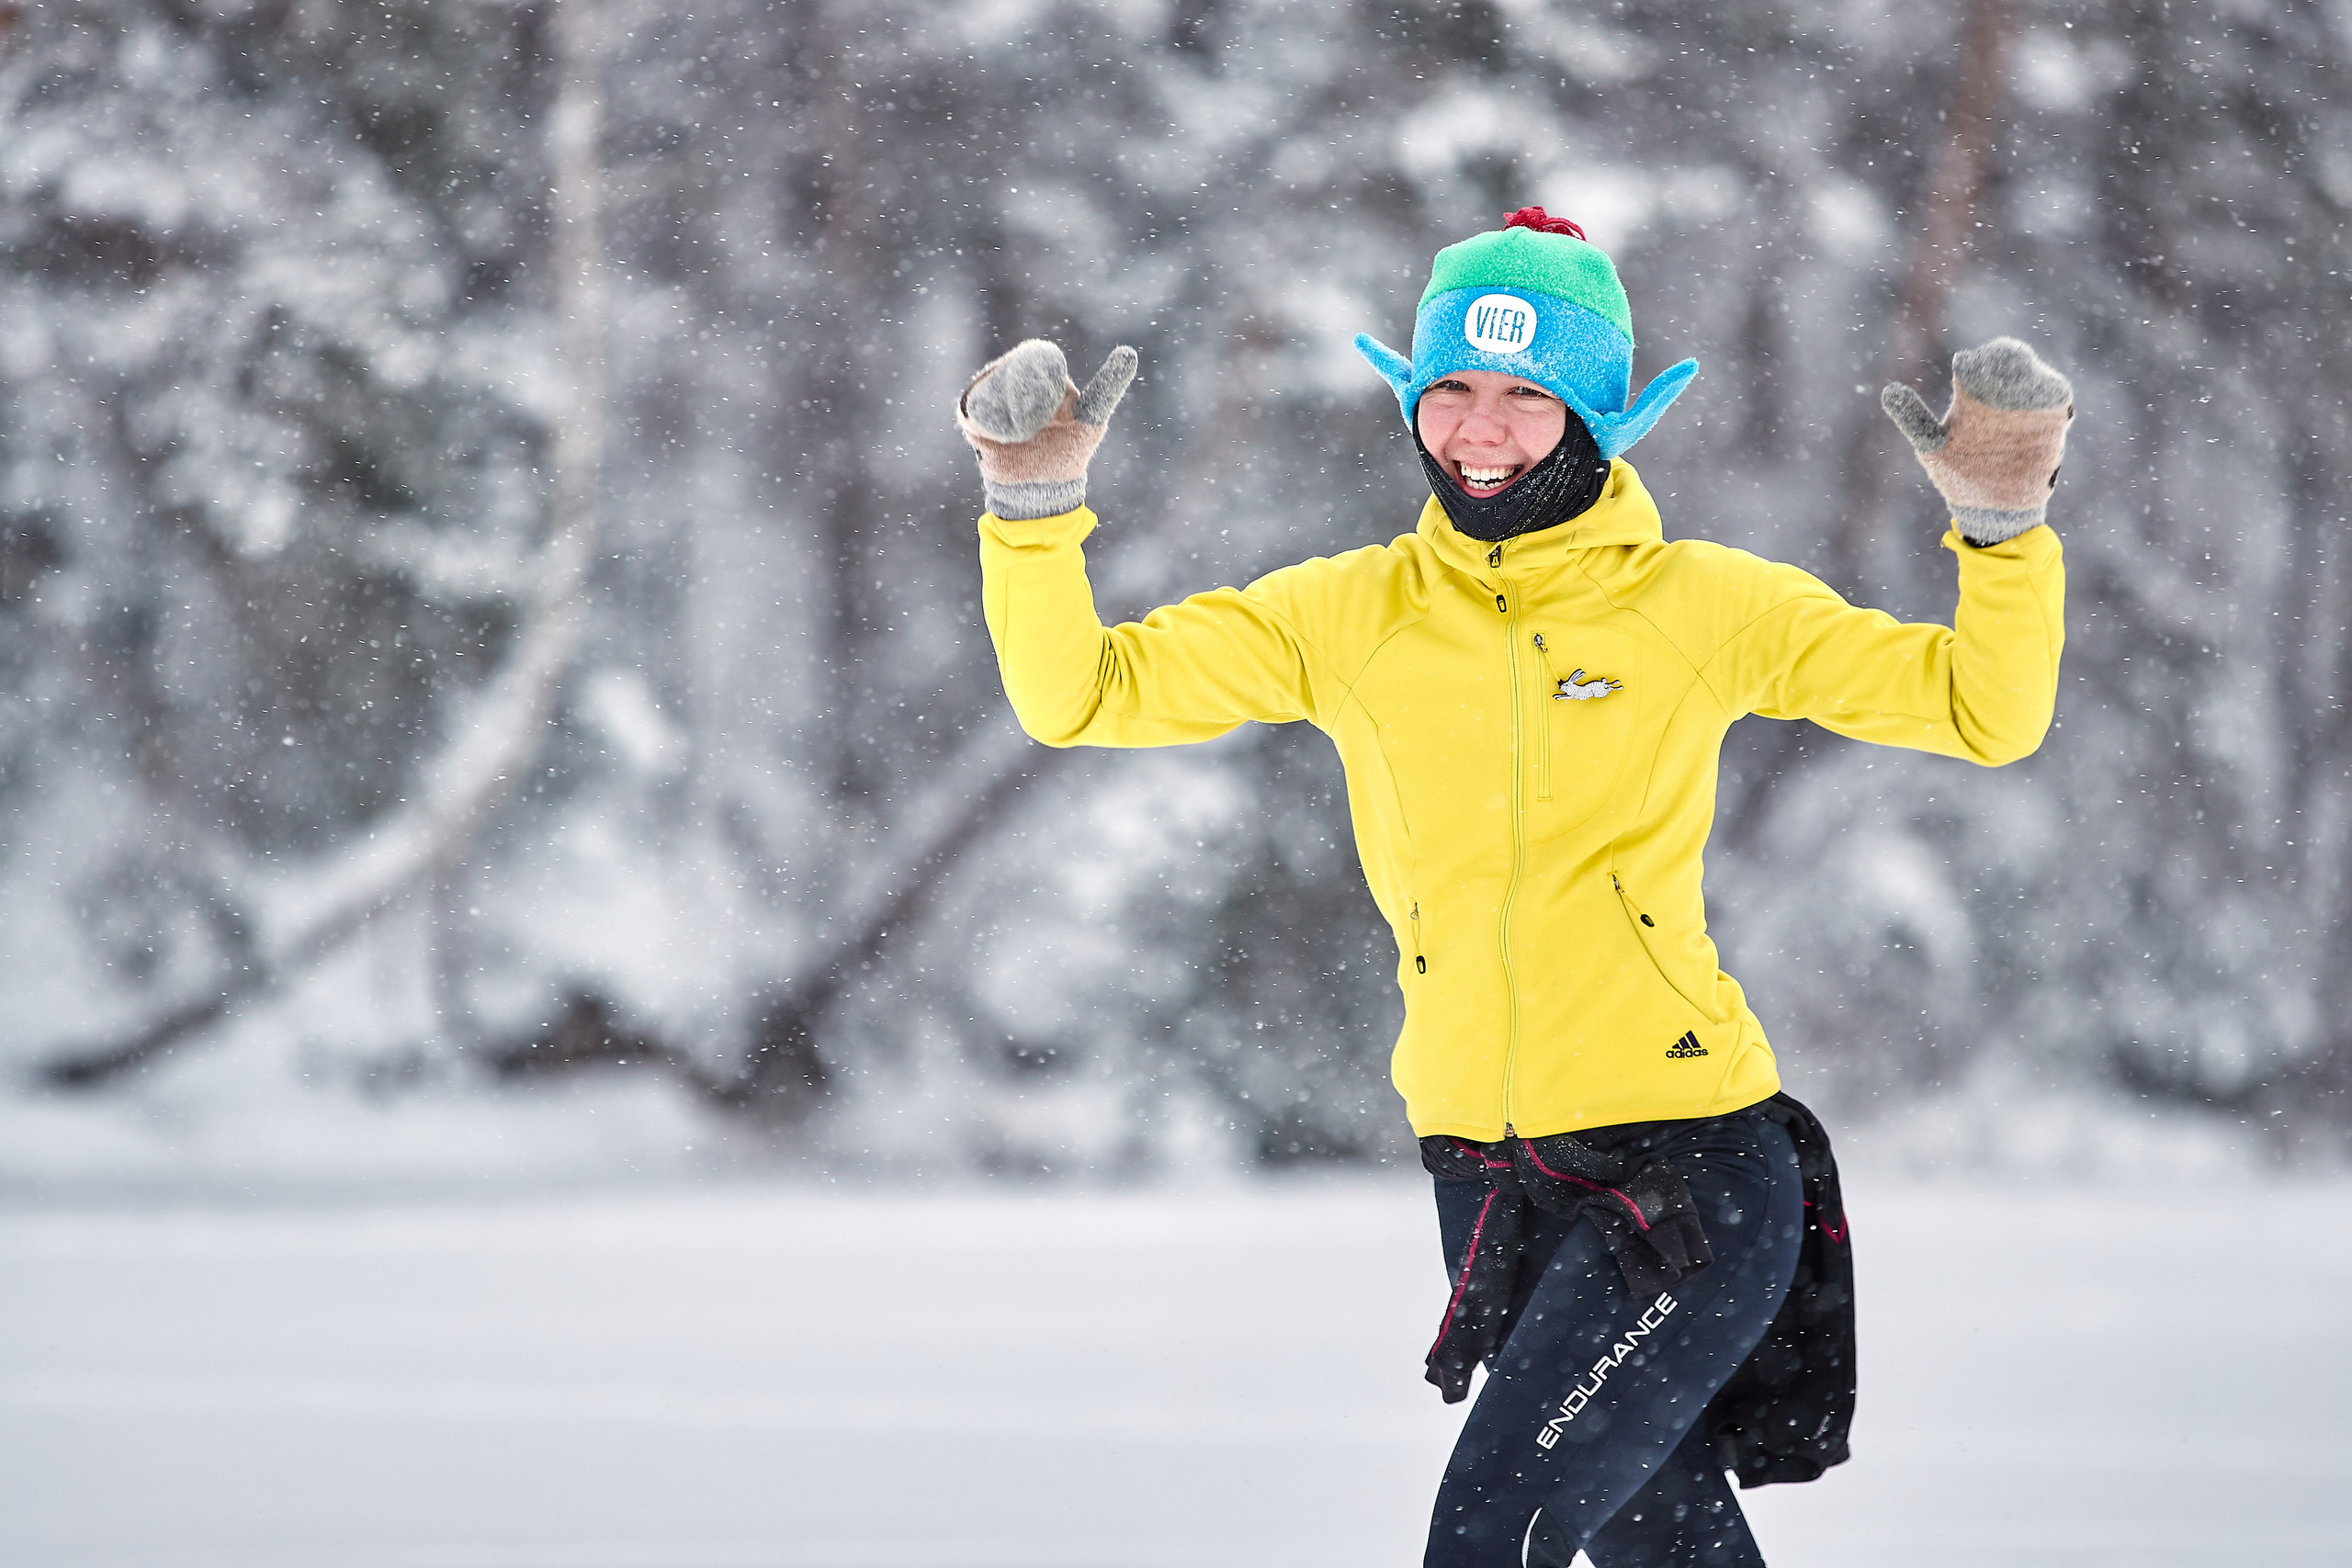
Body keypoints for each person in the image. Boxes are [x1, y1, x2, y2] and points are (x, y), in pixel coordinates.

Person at [956, 208, 2071, 1566]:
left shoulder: (1699, 608)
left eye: (1523, 398)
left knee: (1491, 1534)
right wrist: (1031, 511)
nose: (1479, 430)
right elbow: (1082, 694)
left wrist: (2003, 522)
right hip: (1489, 1177)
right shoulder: (1348, 616)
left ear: (1600, 414)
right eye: (1451, 395)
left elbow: (1980, 711)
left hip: (1687, 1171)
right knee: (1662, 1543)